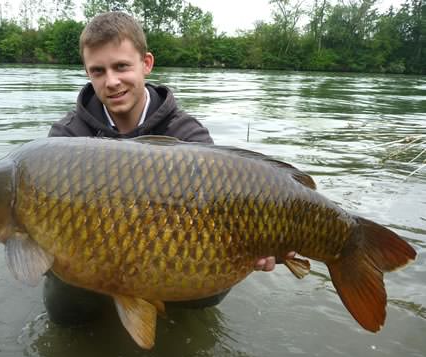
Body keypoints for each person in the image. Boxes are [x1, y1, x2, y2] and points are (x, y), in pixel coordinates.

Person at [45, 11, 294, 325]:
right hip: (93, 259)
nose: (111, 81)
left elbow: (224, 209)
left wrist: (268, 239)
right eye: (98, 71)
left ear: (146, 63)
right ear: (87, 72)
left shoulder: (188, 134)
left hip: (169, 252)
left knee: (215, 276)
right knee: (65, 306)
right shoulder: (66, 138)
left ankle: (168, 306)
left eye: (121, 66)